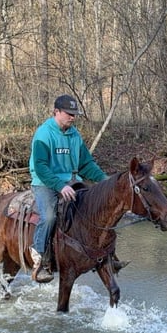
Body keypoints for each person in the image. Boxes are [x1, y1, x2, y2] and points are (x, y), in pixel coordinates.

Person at [28, 94, 108, 283]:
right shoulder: (43, 133)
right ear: (56, 112)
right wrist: (59, 185)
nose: (73, 117)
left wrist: (105, 180)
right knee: (49, 216)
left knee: (95, 212)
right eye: (69, 113)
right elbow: (40, 166)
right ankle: (39, 255)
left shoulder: (74, 135)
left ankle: (102, 255)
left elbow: (86, 164)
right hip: (45, 183)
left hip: (71, 182)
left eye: (75, 114)